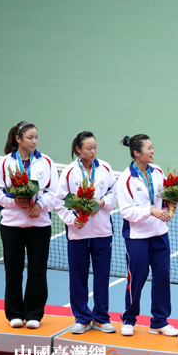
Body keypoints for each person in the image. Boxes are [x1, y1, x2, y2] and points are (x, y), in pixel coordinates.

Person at [0, 121, 58, 329]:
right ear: (18, 139)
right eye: (30, 137)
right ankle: (15, 314)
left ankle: (34, 314)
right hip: (12, 226)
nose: (34, 141)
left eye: (36, 137)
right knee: (13, 270)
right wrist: (14, 202)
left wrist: (40, 205)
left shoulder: (46, 162)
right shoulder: (5, 163)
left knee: (38, 270)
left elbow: (54, 193)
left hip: (39, 226)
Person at [116, 134, 178, 337]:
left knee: (162, 277)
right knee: (136, 278)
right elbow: (126, 211)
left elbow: (164, 198)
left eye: (152, 147)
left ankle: (159, 321)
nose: (152, 151)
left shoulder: (158, 171)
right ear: (137, 153)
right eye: (149, 148)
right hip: (137, 237)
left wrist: (171, 204)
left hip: (160, 234)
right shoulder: (126, 178)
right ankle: (129, 319)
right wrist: (150, 211)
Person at [55, 131, 117, 334]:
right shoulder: (69, 172)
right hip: (78, 234)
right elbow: (59, 201)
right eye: (89, 148)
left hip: (102, 233)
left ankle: (101, 318)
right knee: (78, 277)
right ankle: (81, 317)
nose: (93, 151)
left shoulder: (105, 168)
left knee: (102, 277)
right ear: (78, 149)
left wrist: (102, 202)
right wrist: (72, 219)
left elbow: (114, 193)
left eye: (95, 147)